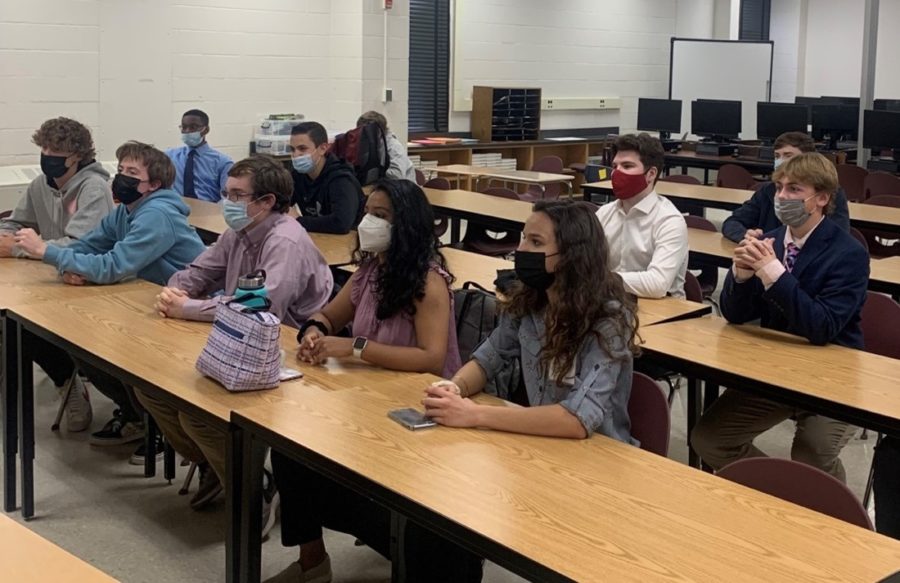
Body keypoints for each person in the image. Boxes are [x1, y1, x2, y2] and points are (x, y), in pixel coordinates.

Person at [267, 178, 467, 583]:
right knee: (290, 449)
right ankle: (312, 562)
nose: (369, 223)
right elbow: (329, 315)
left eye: (381, 216)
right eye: (367, 213)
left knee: (368, 489)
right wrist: (313, 332)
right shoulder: (371, 269)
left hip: (417, 407)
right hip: (365, 395)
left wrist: (353, 348)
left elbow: (430, 358)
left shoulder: (429, 281)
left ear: (406, 224)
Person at [134, 154, 333, 519]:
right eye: (226, 193)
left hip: (288, 350)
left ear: (267, 202)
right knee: (150, 387)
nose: (228, 202)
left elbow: (260, 310)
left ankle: (253, 485)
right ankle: (217, 465)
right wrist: (174, 292)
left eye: (237, 195)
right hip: (234, 337)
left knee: (197, 416)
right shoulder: (238, 232)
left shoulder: (284, 241)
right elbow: (198, 271)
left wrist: (188, 309)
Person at [15, 140, 207, 462]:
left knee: (106, 350)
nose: (121, 178)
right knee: (84, 348)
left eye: (132, 173)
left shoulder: (157, 215)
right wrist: (68, 265)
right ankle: (137, 417)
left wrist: (47, 252)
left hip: (181, 313)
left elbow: (114, 266)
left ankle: (154, 426)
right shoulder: (126, 211)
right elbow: (90, 247)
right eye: (120, 170)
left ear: (154, 184)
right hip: (144, 301)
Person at [690, 153, 869, 482]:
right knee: (710, 439)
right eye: (779, 188)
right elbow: (735, 314)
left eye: (794, 190)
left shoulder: (848, 253)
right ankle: (780, 491)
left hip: (832, 375)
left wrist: (773, 272)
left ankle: (829, 512)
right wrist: (741, 275)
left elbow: (822, 327)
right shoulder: (769, 239)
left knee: (812, 452)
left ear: (822, 199)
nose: (782, 197)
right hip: (778, 368)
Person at [424, 199, 640, 442]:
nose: (522, 249)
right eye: (523, 238)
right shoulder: (531, 300)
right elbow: (488, 359)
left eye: (536, 242)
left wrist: (474, 414)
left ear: (571, 256)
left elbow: (578, 419)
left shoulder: (609, 320)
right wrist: (456, 387)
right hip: (543, 440)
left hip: (601, 453)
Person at [0, 117, 115, 432]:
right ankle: (65, 381)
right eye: (45, 148)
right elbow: (17, 222)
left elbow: (81, 246)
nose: (48, 155)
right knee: (13, 323)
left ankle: (73, 382)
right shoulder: (41, 184)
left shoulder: (94, 188)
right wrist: (6, 237)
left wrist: (21, 249)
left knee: (31, 329)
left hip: (86, 283)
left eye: (56, 151)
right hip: (46, 277)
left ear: (77, 155)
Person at [594, 133, 688, 298]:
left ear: (651, 174)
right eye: (615, 167)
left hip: (664, 310)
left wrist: (602, 279)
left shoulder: (669, 221)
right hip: (612, 301)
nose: (617, 173)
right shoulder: (604, 213)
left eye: (627, 166)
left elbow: (657, 284)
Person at [722, 131, 851, 243]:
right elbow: (732, 222)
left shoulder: (830, 192)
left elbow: (839, 236)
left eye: (788, 156)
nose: (780, 161)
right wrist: (745, 235)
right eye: (777, 156)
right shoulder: (768, 190)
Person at [289, 121, 365, 234]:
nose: (295, 155)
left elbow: (341, 223)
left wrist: (298, 221)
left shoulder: (341, 179)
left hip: (347, 243)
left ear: (323, 148)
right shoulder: (297, 175)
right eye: (292, 149)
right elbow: (281, 203)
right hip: (318, 238)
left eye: (302, 149)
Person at [165, 109, 233, 202]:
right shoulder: (169, 156)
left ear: (206, 130)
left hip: (208, 211)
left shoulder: (223, 162)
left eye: (193, 127)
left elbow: (228, 197)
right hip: (175, 209)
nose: (188, 131)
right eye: (184, 127)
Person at [357, 110, 417, 182]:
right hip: (381, 188)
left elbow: (397, 176)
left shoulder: (394, 147)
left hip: (403, 189)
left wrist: (377, 173)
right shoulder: (372, 144)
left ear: (378, 131)